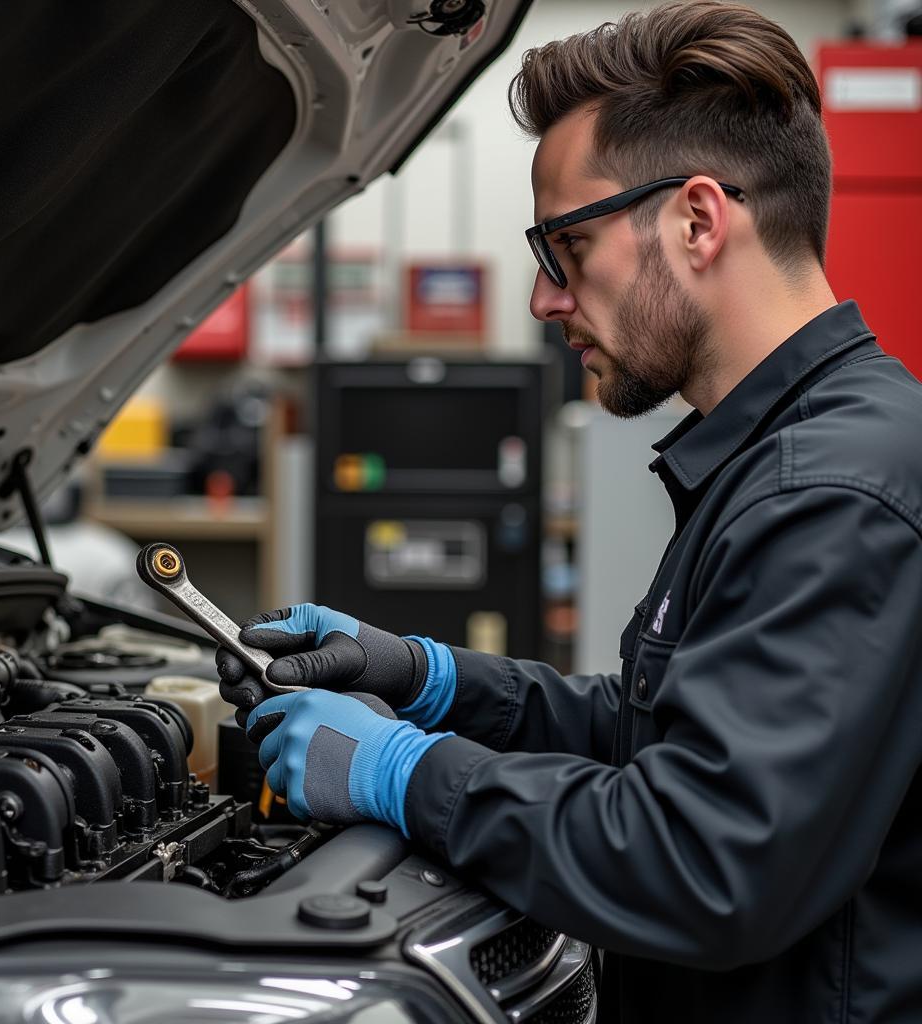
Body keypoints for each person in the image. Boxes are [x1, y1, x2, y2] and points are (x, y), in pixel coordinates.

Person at [217, 3, 922, 1021]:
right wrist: (435, 679)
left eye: (567, 246)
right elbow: (661, 732)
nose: (546, 300)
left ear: (696, 220)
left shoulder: (831, 489)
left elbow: (702, 858)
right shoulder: (793, 452)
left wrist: (408, 774)